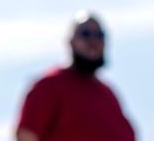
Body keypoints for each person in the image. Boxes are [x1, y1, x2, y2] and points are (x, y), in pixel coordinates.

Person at [15, 11, 135, 141]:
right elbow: (26, 135)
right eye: (85, 34)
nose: (93, 41)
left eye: (99, 35)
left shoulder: (108, 95)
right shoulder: (50, 85)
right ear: (71, 42)